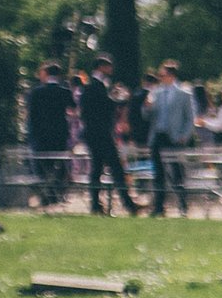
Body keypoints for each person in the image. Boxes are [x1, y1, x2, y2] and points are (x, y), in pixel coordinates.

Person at [80, 56, 138, 216]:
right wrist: (119, 100)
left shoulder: (96, 85)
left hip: (95, 134)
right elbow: (103, 107)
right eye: (108, 66)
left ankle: (95, 205)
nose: (111, 69)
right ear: (101, 67)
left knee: (97, 169)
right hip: (99, 134)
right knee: (116, 168)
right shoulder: (94, 85)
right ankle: (128, 204)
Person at [146, 61, 197, 216]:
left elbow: (190, 118)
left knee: (177, 172)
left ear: (171, 75)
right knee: (158, 173)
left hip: (174, 137)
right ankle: (159, 207)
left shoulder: (184, 93)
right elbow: (148, 115)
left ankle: (182, 205)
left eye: (163, 75)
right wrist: (147, 106)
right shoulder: (156, 92)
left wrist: (184, 135)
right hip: (158, 135)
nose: (161, 77)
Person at [24, 62, 75, 207]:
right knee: (58, 164)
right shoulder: (64, 91)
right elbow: (73, 110)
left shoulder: (36, 92)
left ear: (46, 74)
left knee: (42, 166)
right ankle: (56, 194)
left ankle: (45, 196)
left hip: (41, 134)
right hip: (59, 134)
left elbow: (31, 115)